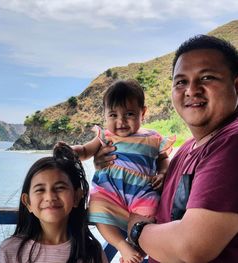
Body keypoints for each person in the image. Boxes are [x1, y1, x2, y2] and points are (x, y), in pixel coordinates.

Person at [96, 35, 238, 262]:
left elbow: (191, 247)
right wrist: (111, 164)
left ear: (236, 85)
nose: (191, 90)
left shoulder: (231, 143)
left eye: (207, 77)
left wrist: (137, 229)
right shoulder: (187, 149)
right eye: (181, 81)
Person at [70, 80, 175, 263]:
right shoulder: (105, 137)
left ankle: (135, 249)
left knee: (146, 219)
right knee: (100, 214)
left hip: (142, 191)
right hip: (109, 191)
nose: (121, 121)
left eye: (129, 114)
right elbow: (86, 151)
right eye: (113, 115)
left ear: (143, 113)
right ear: (104, 115)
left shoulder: (153, 138)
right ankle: (121, 245)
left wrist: (162, 173)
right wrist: (71, 152)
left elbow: (162, 160)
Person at [0, 143, 108, 263]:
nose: (50, 197)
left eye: (60, 188)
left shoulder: (91, 252)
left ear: (76, 197)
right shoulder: (11, 250)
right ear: (28, 202)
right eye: (40, 190)